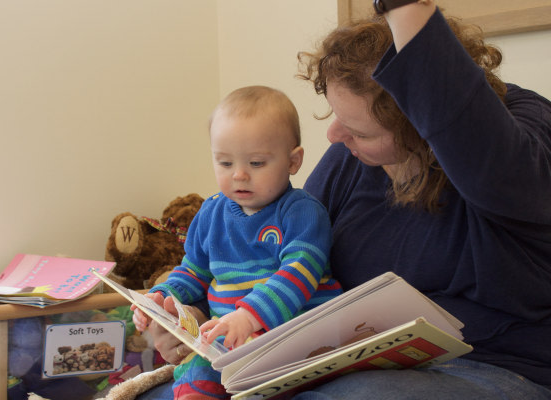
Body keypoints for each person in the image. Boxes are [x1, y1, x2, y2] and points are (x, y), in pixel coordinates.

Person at [139, 2, 551, 399]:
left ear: (422, 127)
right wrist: (189, 315)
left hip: (493, 368)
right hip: (345, 362)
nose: (335, 135)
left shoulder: (519, 142)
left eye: (361, 130)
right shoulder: (350, 158)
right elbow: (272, 257)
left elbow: (479, 145)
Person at [132, 85, 342, 399]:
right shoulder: (211, 212)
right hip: (230, 341)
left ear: (293, 161)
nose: (239, 175)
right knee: (194, 374)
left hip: (293, 337)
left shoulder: (303, 212)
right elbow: (194, 270)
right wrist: (162, 298)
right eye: (225, 163)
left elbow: (299, 272)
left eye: (256, 163)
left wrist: (249, 316)